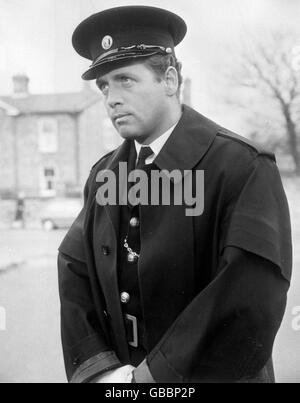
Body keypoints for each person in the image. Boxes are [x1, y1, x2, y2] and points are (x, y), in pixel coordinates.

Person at [58, 6, 292, 383]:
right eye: (104, 86)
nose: (111, 99)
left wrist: (152, 378)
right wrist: (101, 371)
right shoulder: (105, 175)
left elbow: (250, 292)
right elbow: (74, 268)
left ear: (169, 80)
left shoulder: (240, 166)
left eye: (125, 80)